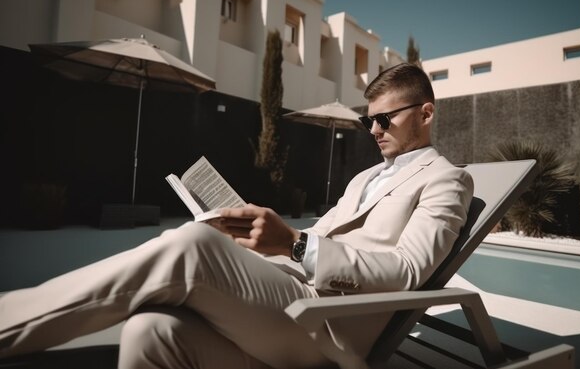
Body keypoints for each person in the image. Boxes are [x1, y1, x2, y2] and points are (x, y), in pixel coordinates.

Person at [0, 63, 473, 369]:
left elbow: (408, 272)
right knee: (152, 332)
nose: (372, 129)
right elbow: (319, 235)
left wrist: (296, 244)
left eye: (384, 119)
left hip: (329, 326)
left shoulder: (446, 180)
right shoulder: (365, 178)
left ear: (426, 112)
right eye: (368, 119)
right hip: (285, 299)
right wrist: (254, 232)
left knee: (191, 245)